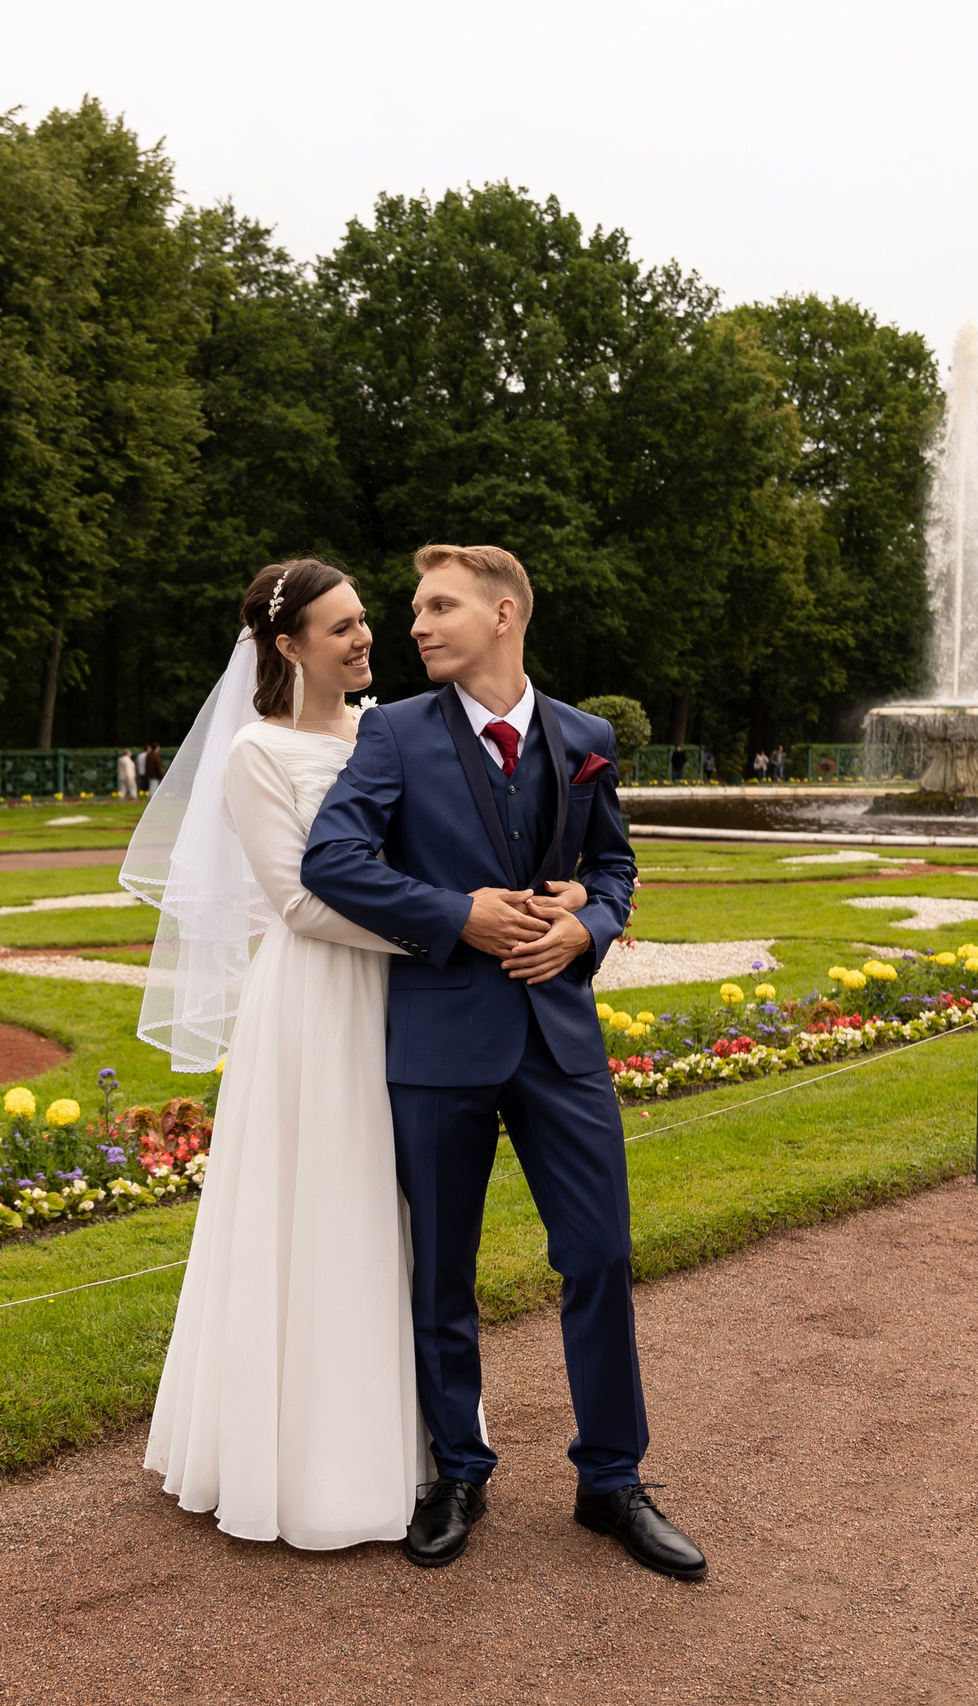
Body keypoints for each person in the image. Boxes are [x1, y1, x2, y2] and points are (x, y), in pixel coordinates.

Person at [302, 543, 706, 1580]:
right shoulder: (392, 732)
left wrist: (591, 926)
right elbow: (331, 860)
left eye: (439, 605)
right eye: (415, 607)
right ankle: (458, 1470)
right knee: (441, 1272)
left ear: (504, 613)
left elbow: (611, 865)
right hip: (439, 1039)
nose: (417, 624)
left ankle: (611, 1479)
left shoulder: (585, 736)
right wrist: (457, 915)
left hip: (560, 1037)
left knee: (600, 1255)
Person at [129, 559, 436, 1547]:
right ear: (286, 644)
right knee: (319, 1207)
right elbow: (300, 903)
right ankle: (301, 1462)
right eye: (339, 627)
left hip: (401, 997)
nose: (363, 639)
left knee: (398, 1213)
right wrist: (447, 931)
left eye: (364, 622)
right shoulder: (254, 755)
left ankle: (415, 1445)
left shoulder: (386, 730)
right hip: (314, 1001)